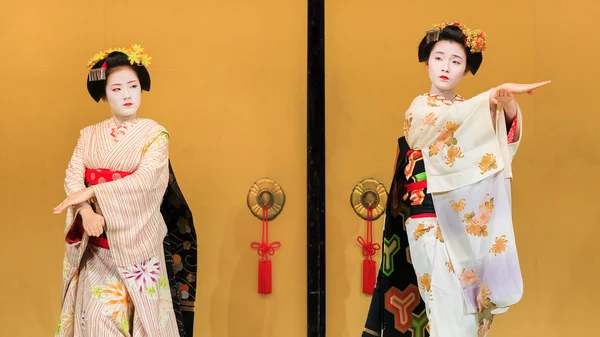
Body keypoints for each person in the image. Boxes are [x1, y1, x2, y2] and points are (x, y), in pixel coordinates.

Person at [362, 22, 550, 337]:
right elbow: (441, 124)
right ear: (427, 62)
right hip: (430, 222)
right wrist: (489, 98)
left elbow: (503, 143)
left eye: (456, 61)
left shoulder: (472, 109)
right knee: (446, 310)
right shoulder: (420, 109)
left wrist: (507, 105)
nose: (446, 67)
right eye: (439, 58)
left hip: (465, 224)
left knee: (470, 314)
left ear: (466, 70)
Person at [53, 45, 197, 337]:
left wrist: (92, 193)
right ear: (104, 95)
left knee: (147, 326)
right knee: (97, 323)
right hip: (98, 252)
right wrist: (85, 211)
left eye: (133, 86)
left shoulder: (155, 134)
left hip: (140, 251)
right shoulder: (89, 135)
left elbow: (147, 180)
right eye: (117, 89)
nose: (128, 95)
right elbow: (73, 175)